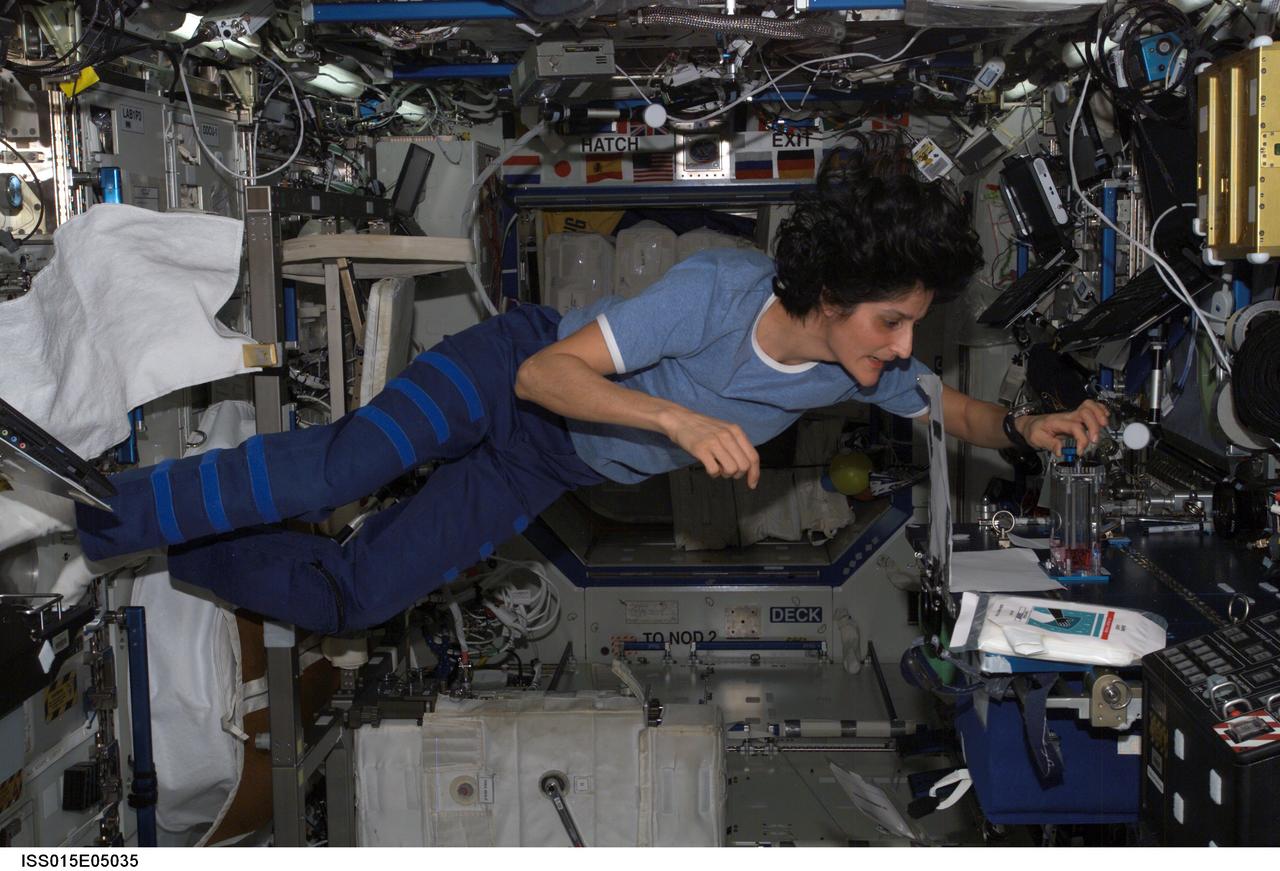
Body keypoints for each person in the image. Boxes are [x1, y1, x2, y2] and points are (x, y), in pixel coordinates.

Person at [76, 154, 1108, 633]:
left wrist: (1022, 425)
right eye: (890, 320)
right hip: (506, 380)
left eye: (909, 327)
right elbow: (544, 375)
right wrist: (678, 418)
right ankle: (95, 516)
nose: (899, 346)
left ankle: (184, 547)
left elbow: (947, 411)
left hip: (546, 462)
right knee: (351, 463)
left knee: (359, 598)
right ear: (832, 293)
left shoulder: (861, 366)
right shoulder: (717, 291)